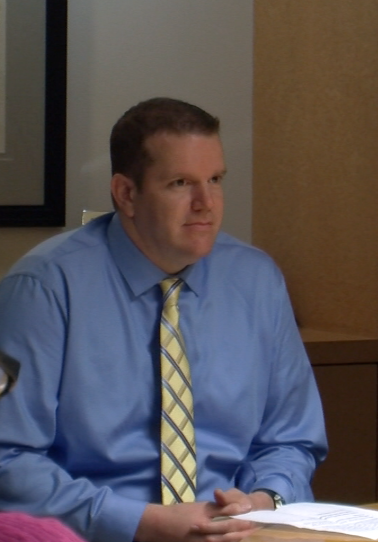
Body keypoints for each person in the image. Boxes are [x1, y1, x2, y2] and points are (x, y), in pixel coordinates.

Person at [0, 97, 328, 542]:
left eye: (215, 180)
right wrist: (141, 523)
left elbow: (292, 440)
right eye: (180, 183)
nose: (206, 203)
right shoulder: (42, 290)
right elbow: (8, 458)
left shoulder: (256, 281)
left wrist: (262, 501)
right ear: (126, 193)